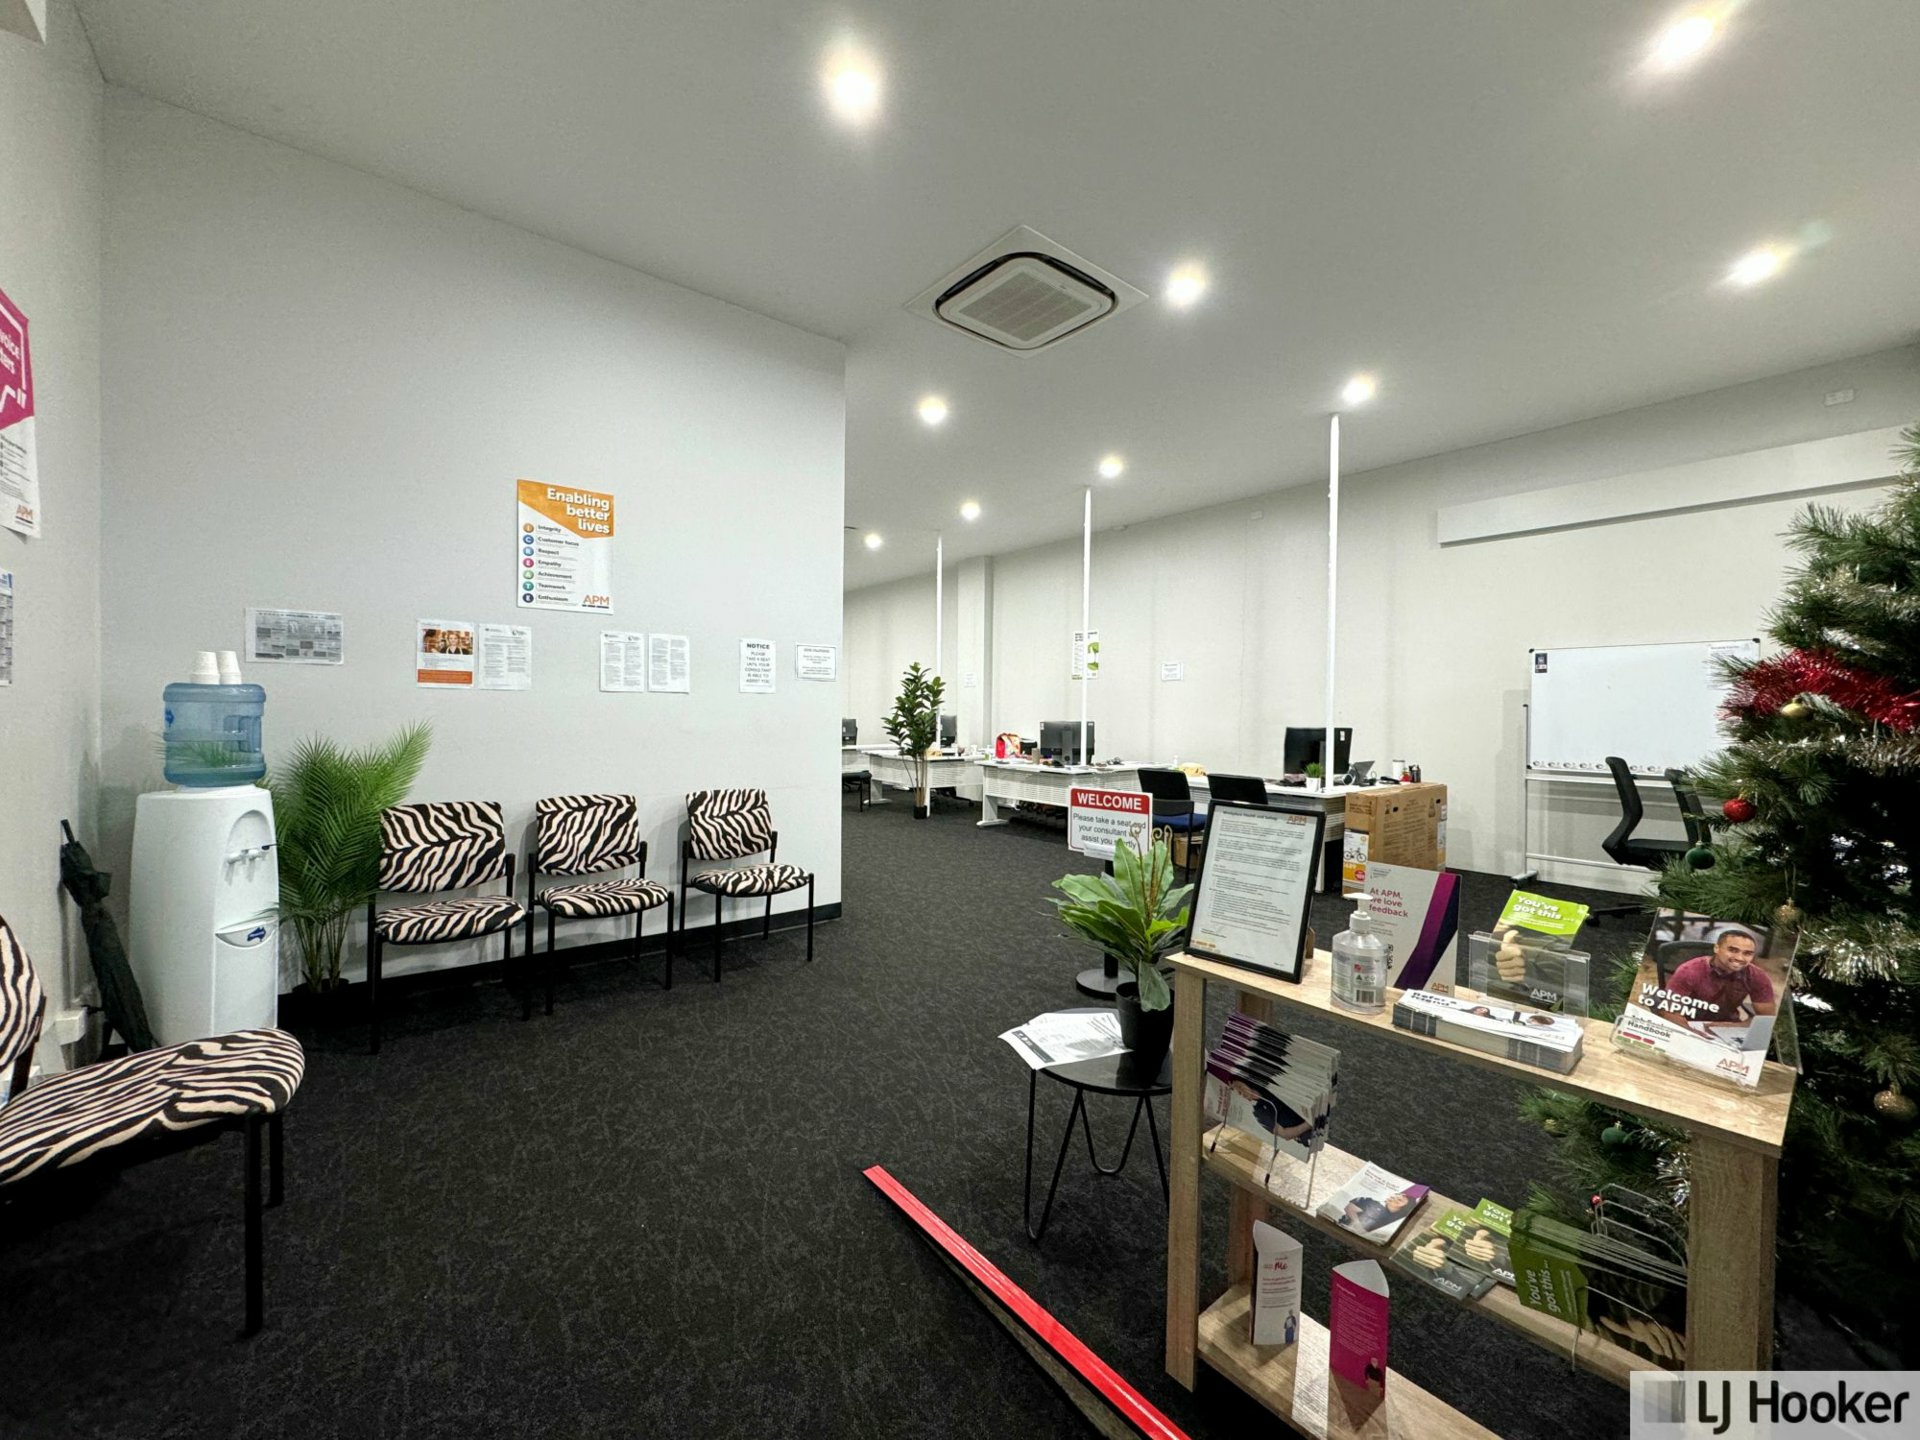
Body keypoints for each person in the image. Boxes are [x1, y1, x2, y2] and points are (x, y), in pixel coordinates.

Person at [1660, 927, 1777, 1025]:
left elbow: (1766, 1019)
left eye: (1747, 953)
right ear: (1716, 948)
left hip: (1728, 1026)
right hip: (1690, 1024)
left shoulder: (1757, 976)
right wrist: (1697, 1034)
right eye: (1733, 950)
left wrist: (1733, 1027)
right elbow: (1669, 1012)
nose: (1740, 958)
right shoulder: (1689, 970)